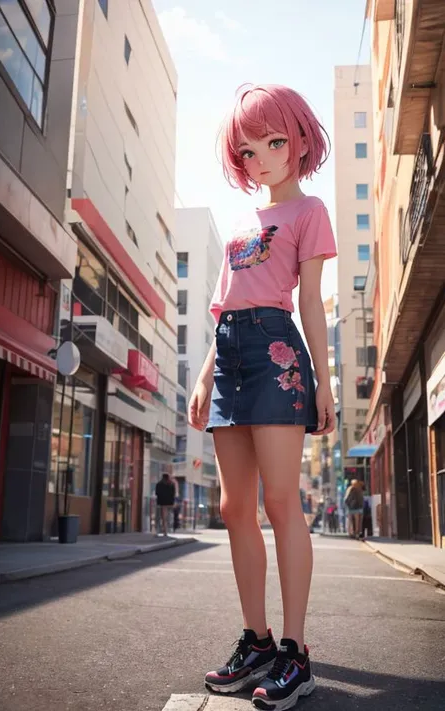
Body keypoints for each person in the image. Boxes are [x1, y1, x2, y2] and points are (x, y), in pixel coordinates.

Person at [188, 84, 336, 710]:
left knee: (280, 501)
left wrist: (325, 382)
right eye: (249, 150)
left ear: (299, 140)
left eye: (276, 142)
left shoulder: (309, 212)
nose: (264, 157)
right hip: (229, 354)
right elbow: (223, 304)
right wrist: (202, 373)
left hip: (277, 352)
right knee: (232, 506)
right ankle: (257, 641)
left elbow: (307, 303)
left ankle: (295, 655)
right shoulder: (244, 225)